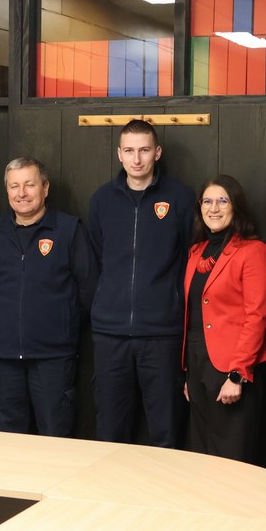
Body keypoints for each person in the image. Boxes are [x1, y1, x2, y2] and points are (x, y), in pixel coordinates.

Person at [87, 119, 194, 447]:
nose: (137, 159)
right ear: (119, 154)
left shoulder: (180, 197)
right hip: (111, 334)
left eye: (144, 150)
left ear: (157, 152)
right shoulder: (102, 199)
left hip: (162, 334)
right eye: (130, 151)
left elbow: (189, 257)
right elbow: (97, 257)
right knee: (110, 431)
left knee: (166, 429)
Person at [0, 157, 97, 437]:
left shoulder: (69, 229)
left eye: (29, 185)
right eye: (14, 186)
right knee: (7, 438)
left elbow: (88, 288)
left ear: (45, 188)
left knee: (54, 436)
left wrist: (63, 323)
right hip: (5, 356)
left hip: (53, 356)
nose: (21, 193)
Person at [180, 175, 266, 461]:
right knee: (201, 454)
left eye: (223, 201)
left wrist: (238, 374)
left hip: (232, 366)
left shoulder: (253, 251)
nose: (214, 208)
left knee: (232, 457)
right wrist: (189, 374)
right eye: (207, 201)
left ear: (236, 206)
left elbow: (256, 316)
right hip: (197, 362)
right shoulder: (196, 252)